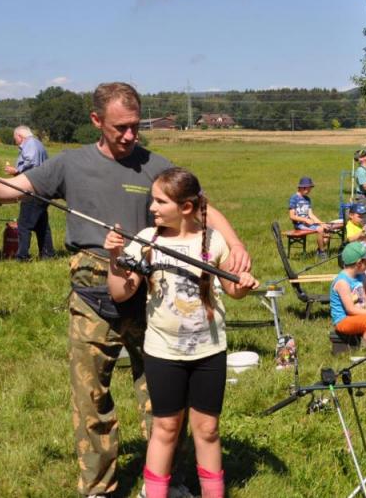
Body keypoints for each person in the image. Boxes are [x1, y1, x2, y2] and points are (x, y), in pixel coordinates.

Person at [0, 82, 251, 498]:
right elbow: (3, 191)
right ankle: (98, 488)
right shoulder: (68, 165)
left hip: (151, 298)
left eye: (134, 127)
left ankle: (167, 484)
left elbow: (200, 207)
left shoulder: (154, 164)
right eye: (119, 127)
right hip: (91, 295)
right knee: (92, 402)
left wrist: (234, 245)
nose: (129, 136)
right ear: (96, 121)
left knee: (165, 407)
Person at [105, 167, 259, 498]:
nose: (152, 208)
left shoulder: (213, 241)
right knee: (166, 428)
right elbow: (120, 292)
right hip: (163, 353)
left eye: (160, 201)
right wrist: (115, 257)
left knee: (208, 429)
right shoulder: (147, 240)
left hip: (209, 352)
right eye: (152, 201)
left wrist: (243, 284)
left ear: (186, 207)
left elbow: (233, 292)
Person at [4, 125, 55, 260]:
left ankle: (22, 256)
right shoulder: (37, 143)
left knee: (24, 225)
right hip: (42, 189)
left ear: (20, 136)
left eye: (15, 138)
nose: (15, 141)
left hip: (33, 189)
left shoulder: (31, 144)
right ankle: (48, 254)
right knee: (41, 225)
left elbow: (32, 163)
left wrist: (16, 171)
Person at [288, 176, 330, 260]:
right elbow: (292, 216)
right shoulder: (294, 198)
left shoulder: (307, 199)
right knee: (320, 230)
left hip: (308, 223)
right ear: (302, 188)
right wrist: (305, 220)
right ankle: (322, 252)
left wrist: (322, 223)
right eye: (309, 189)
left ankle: (319, 250)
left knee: (327, 232)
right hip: (299, 224)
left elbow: (311, 215)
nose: (309, 191)